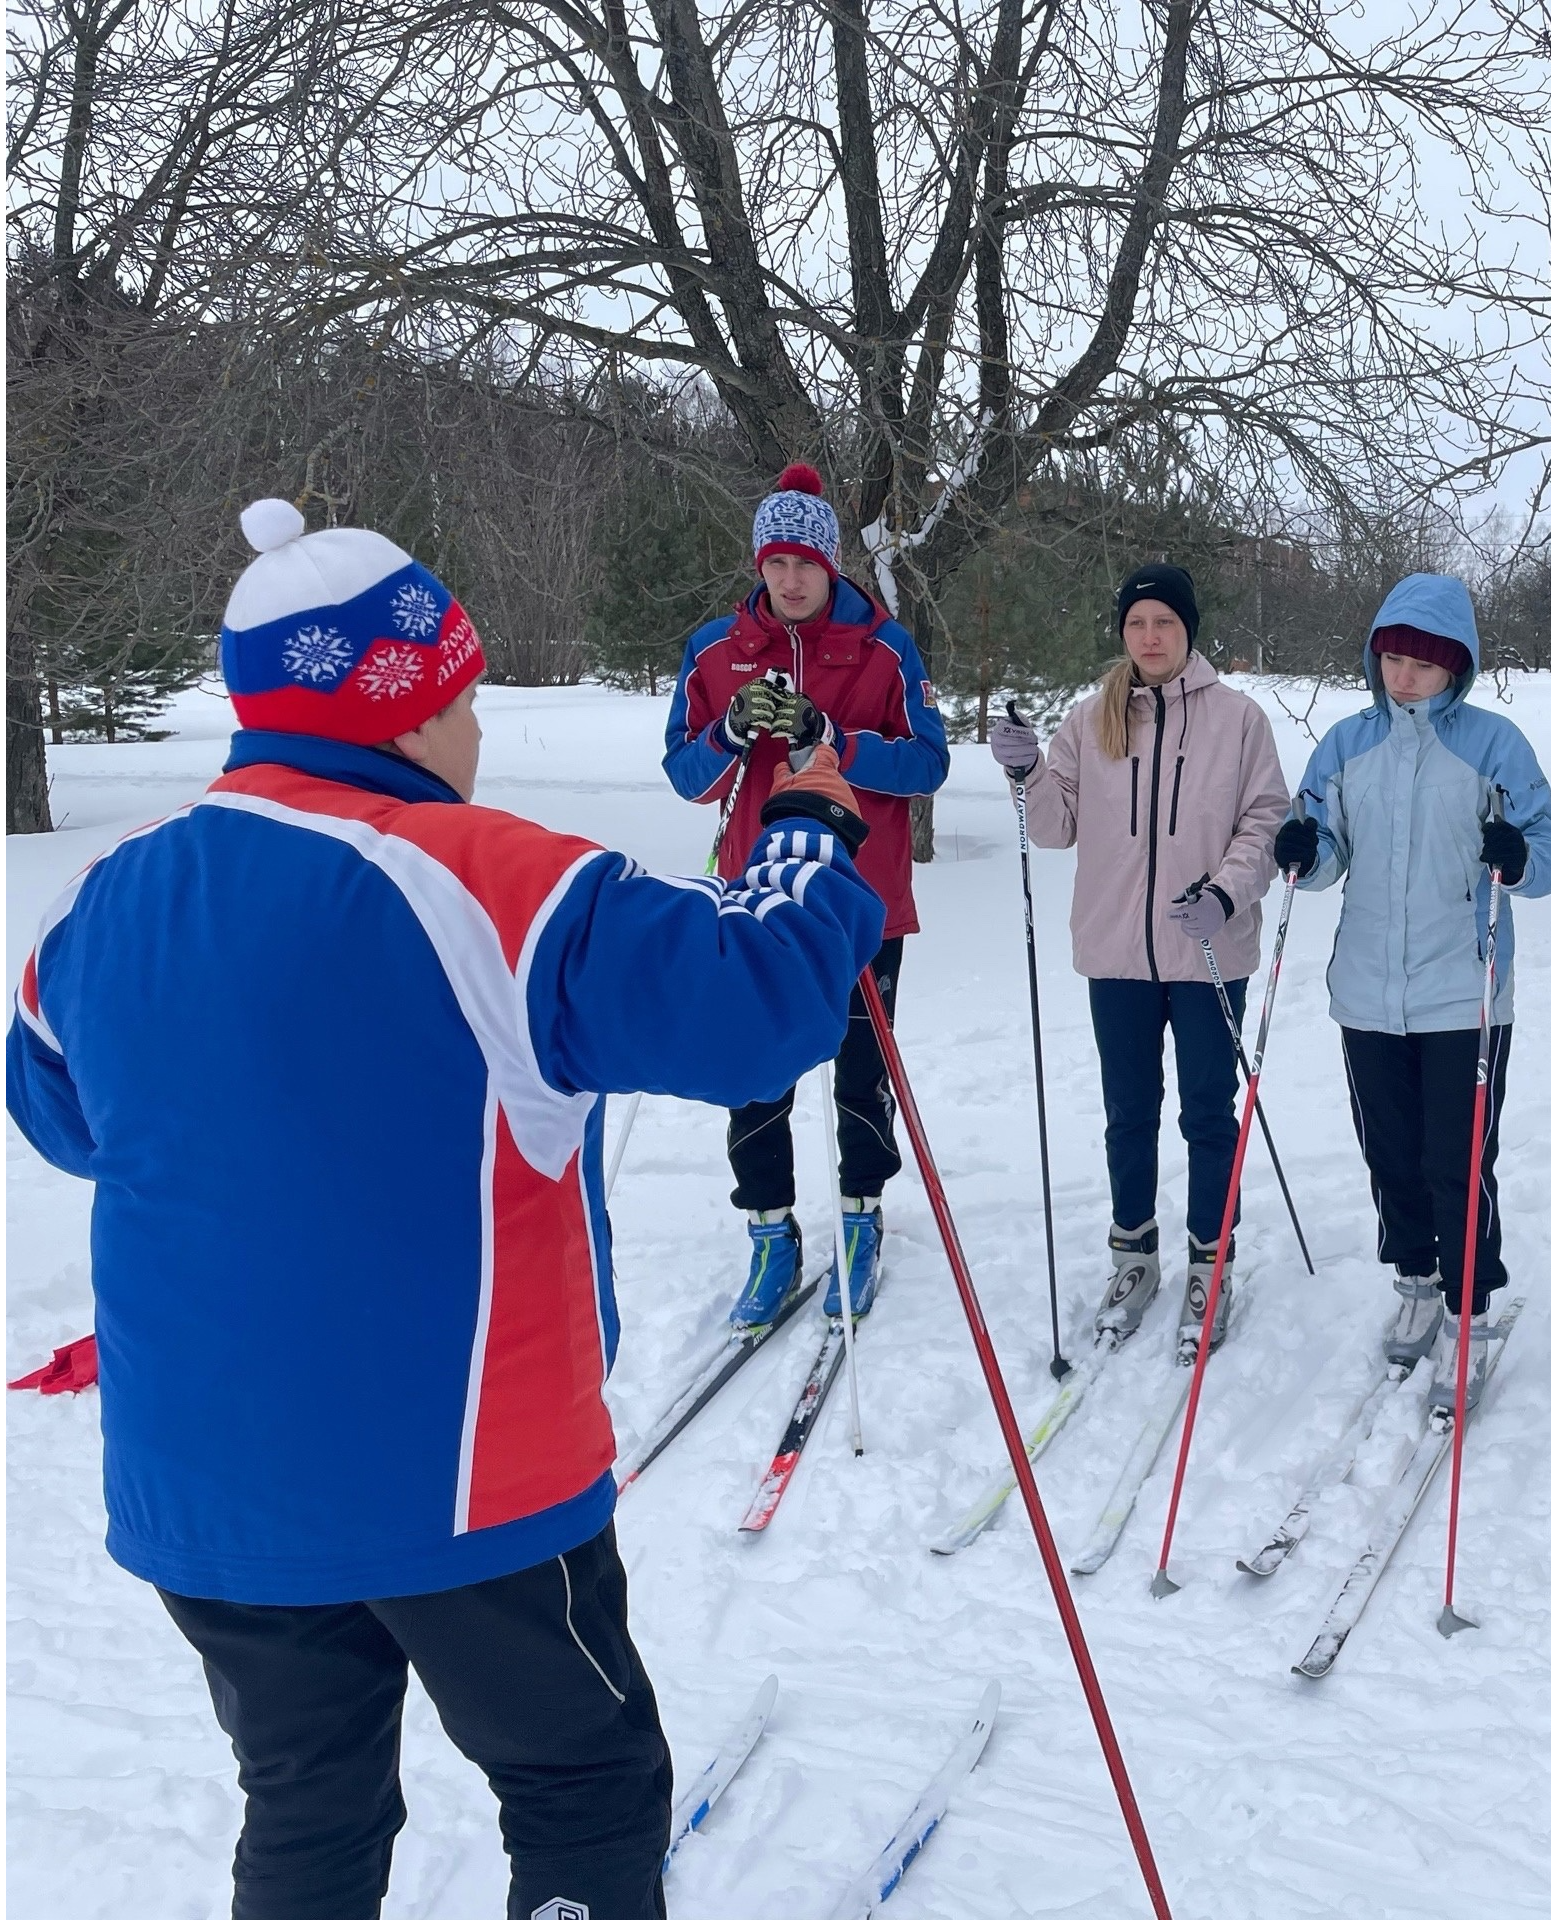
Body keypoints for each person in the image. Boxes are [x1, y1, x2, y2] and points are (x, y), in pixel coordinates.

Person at [4, 500, 883, 1920]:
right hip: (467, 1481)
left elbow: (58, 1112)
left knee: (306, 1796)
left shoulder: (104, 901)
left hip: (209, 1491)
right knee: (583, 1784)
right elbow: (753, 1001)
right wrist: (804, 827)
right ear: (408, 709)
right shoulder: (496, 882)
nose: (476, 732)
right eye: (464, 699)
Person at [1275, 574, 1551, 1412]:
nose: (1405, 676)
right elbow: (1326, 851)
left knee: (1459, 1159)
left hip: (1462, 992)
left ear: (1458, 667)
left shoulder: (1494, 745)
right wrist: (1302, 849)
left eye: (1424, 663)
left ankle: (1468, 1307)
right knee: (1391, 1154)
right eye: (1393, 659)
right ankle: (1416, 1275)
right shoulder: (1343, 744)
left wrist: (1516, 855)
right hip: (1367, 992)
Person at [663, 463, 949, 1331]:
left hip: (862, 899)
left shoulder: (884, 646)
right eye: (774, 563)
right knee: (756, 1067)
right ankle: (771, 1231)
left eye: (805, 563)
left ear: (831, 564)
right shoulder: (717, 649)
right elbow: (687, 775)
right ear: (759, 563)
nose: (789, 580)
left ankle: (860, 1218)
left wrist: (836, 739)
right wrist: (730, 730)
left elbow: (928, 763)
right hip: (761, 899)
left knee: (863, 1072)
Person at [989, 564, 1289, 1361]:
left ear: (1188, 629)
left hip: (1207, 950)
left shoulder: (1238, 720)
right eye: (1136, 624)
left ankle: (1208, 1261)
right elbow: (1054, 829)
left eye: (1163, 622)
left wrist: (1226, 894)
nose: (1149, 637)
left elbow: (1265, 820)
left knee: (1205, 1112)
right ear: (1122, 633)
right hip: (1117, 951)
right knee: (1129, 1110)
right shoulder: (1091, 720)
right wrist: (1025, 772)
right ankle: (1133, 1254)